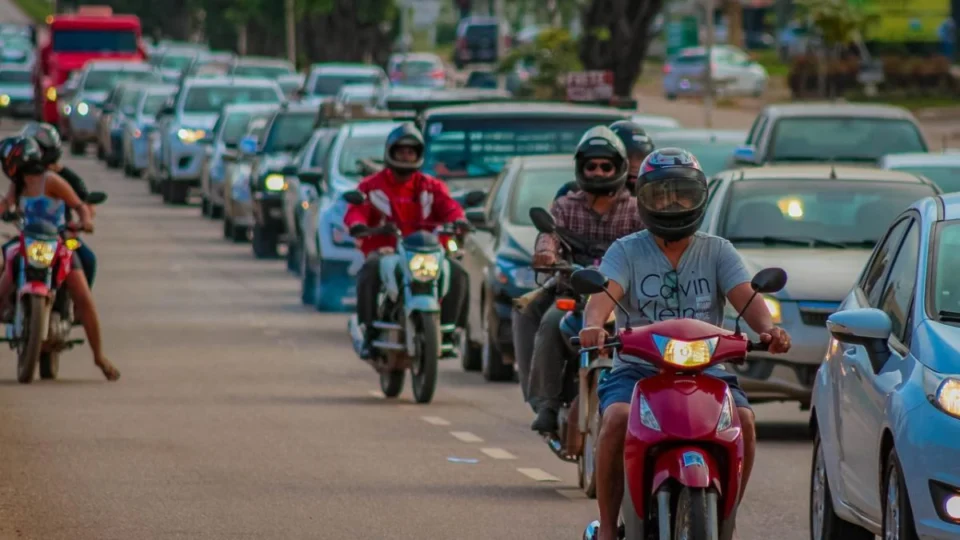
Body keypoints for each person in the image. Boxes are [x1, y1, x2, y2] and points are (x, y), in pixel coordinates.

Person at [580, 148, 792, 540]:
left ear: (700, 199)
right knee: (615, 421)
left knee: (744, 421)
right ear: (643, 198)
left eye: (683, 194)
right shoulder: (626, 250)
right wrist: (593, 325)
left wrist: (769, 331)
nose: (672, 203)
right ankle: (609, 528)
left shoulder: (718, 250)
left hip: (708, 369)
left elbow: (746, 298)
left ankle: (726, 520)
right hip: (637, 368)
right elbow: (603, 298)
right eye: (661, 195)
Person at [527, 126, 646, 433]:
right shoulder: (565, 205)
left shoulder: (635, 210)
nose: (598, 172)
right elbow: (548, 235)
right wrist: (546, 255)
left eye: (606, 166)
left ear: (618, 168)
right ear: (580, 168)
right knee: (551, 322)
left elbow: (649, 244)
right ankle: (547, 405)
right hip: (573, 298)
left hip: (621, 303)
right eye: (591, 166)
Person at [344, 123, 470, 360]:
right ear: (390, 153)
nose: (406, 156)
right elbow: (356, 210)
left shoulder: (431, 186)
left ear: (419, 155)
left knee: (459, 272)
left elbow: (450, 208)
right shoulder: (372, 186)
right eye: (401, 151)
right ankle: (370, 332)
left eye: (411, 151)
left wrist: (459, 221)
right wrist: (358, 225)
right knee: (369, 269)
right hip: (387, 251)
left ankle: (452, 333)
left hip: (427, 252)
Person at [0, 137, 119, 381]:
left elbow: (79, 205)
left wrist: (86, 221)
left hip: (58, 242)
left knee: (84, 297)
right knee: (4, 275)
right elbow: (6, 205)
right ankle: (8, 308)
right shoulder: (17, 185)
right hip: (26, 241)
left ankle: (99, 357)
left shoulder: (52, 181)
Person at [20, 122, 98, 287]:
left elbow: (86, 205)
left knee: (88, 259)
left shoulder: (67, 178)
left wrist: (81, 223)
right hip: (27, 237)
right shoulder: (21, 178)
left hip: (63, 237)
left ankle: (79, 308)